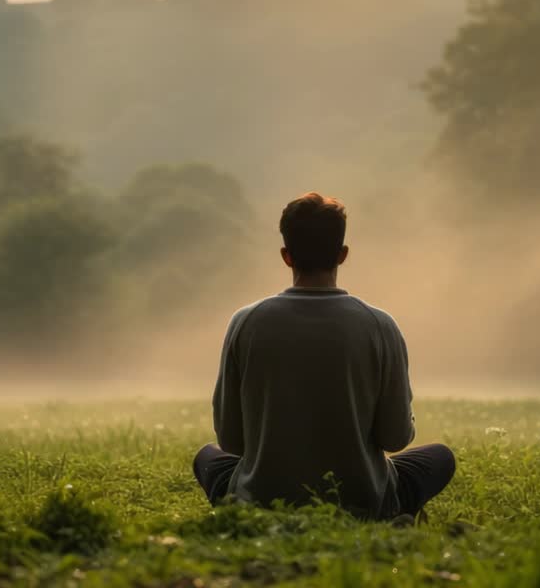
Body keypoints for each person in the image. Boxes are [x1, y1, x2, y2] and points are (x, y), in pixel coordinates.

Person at [192, 192, 456, 521]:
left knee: (207, 457)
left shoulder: (246, 322)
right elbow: (396, 437)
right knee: (440, 457)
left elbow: (230, 441)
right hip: (364, 498)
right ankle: (393, 515)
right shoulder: (379, 325)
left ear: (286, 256)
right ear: (342, 254)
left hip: (263, 500)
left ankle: (247, 508)